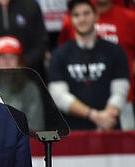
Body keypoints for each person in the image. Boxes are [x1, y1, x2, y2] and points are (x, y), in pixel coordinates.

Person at [48, 0, 129, 131]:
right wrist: (95, 116)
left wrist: (106, 118)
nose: (82, 19)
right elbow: (58, 95)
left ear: (96, 16)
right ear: (70, 19)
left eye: (86, 13)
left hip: (109, 127)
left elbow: (121, 90)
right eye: (76, 15)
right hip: (73, 131)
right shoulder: (59, 54)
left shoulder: (115, 51)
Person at [0, 35, 45, 131]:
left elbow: (35, 126)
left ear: (20, 62)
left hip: (20, 142)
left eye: (12, 57)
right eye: (2, 57)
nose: (7, 61)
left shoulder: (30, 89)